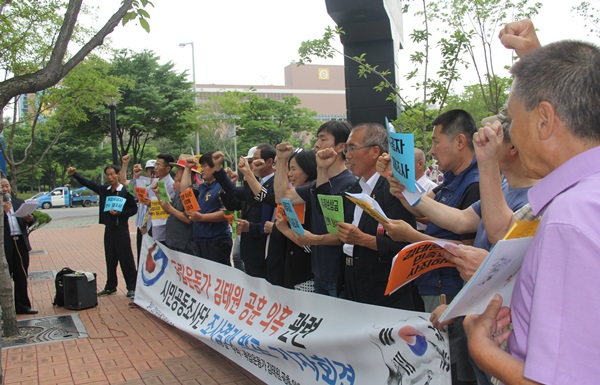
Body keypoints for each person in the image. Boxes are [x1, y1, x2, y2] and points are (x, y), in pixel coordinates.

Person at [464, 20, 600, 385]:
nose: (507, 131)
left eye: (511, 117)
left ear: (543, 120)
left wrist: (484, 351)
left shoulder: (569, 219)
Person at [319, 123, 419, 310]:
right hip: (351, 283)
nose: (347, 155)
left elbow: (406, 245)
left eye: (353, 148)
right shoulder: (354, 190)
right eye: (346, 149)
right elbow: (326, 208)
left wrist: (362, 240)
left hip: (384, 292)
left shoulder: (394, 189)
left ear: (375, 151)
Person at [274, 120, 355, 296]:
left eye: (323, 139)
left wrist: (313, 239)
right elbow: (282, 197)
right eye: (317, 139)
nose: (316, 145)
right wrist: (281, 160)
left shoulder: (351, 184)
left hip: (340, 277)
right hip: (319, 273)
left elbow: (346, 234)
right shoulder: (315, 185)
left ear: (341, 147)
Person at [68, 165, 138, 297]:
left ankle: (132, 287)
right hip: (109, 229)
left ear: (118, 175)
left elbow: (134, 209)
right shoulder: (104, 190)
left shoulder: (125, 191)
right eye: (107, 175)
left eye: (112, 174)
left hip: (121, 230)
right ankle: (111, 286)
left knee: (126, 258)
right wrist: (75, 175)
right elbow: (89, 184)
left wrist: (121, 213)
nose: (110, 177)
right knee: (110, 259)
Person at [213, 144, 276, 278]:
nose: (251, 165)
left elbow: (262, 205)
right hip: (249, 250)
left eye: (254, 161)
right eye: (250, 162)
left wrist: (251, 227)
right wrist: (219, 169)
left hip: (265, 251)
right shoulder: (253, 184)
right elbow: (234, 195)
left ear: (269, 162)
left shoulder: (276, 184)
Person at [265, 149, 316, 290]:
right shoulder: (295, 199)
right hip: (288, 272)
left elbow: (309, 245)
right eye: (289, 169)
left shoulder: (314, 200)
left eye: (293, 169)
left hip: (306, 276)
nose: (289, 174)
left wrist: (284, 230)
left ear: (308, 168)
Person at [186, 152, 232, 266]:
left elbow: (227, 212)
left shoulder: (223, 186)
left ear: (215, 166)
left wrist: (201, 217)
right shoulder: (202, 186)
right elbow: (185, 192)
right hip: (200, 239)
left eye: (205, 166)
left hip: (217, 240)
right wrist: (187, 168)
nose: (202, 170)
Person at [2, 178, 38, 314]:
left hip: (20, 243)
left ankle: (22, 306)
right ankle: (5, 309)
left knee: (21, 275)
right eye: (2, 187)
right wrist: (3, 212)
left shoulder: (19, 202)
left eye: (7, 186)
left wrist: (30, 219)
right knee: (5, 277)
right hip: (6, 245)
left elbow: (31, 220)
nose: (5, 189)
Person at [414, 148, 438, 231]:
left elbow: (434, 218)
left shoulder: (432, 187)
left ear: (420, 164)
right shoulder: (403, 187)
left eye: (407, 163)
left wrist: (411, 216)